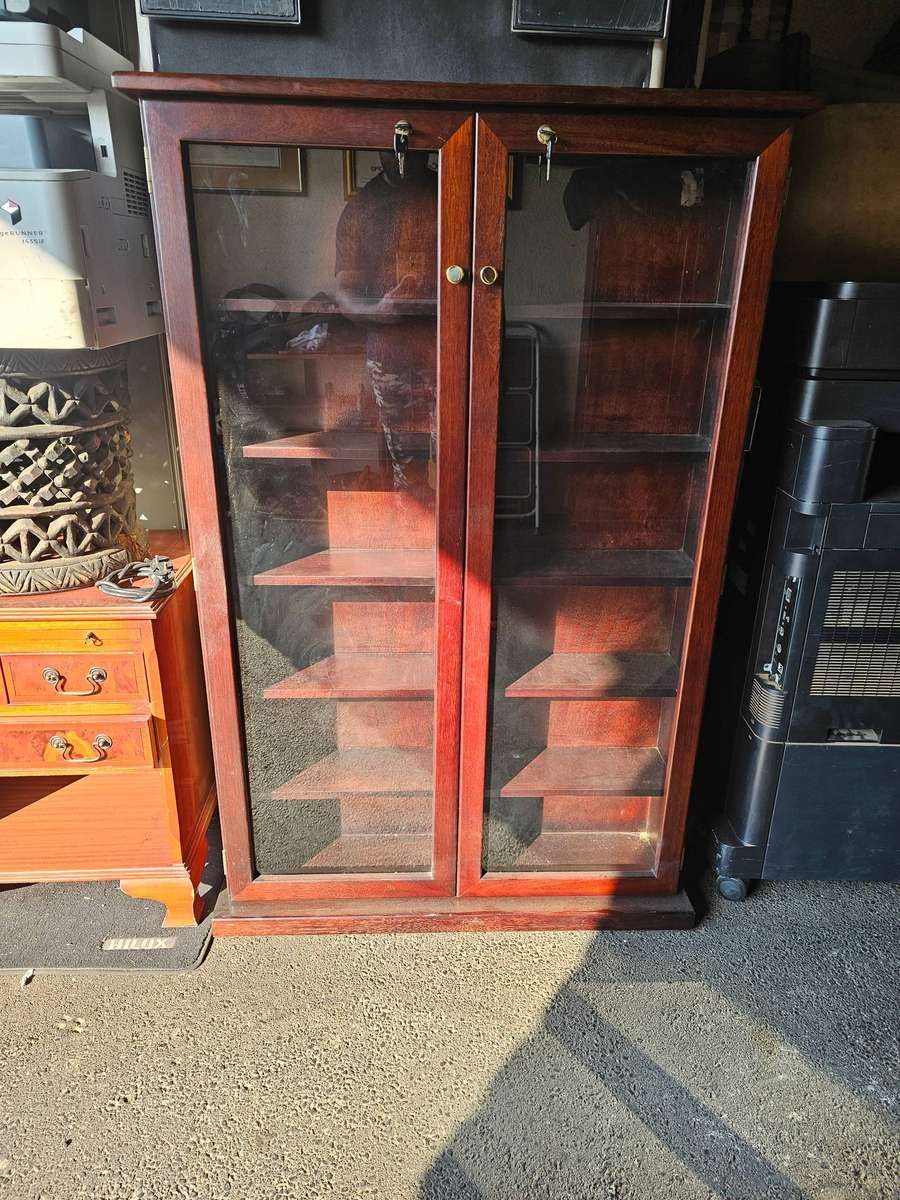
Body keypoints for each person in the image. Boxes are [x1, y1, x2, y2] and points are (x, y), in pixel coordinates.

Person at [334, 150, 437, 488]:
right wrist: (376, 312)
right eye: (393, 146)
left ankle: (457, 537)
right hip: (389, 351)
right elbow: (345, 296)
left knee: (458, 455)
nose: (404, 154)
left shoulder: (452, 193)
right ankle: (415, 536)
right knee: (405, 463)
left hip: (450, 348)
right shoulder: (362, 209)